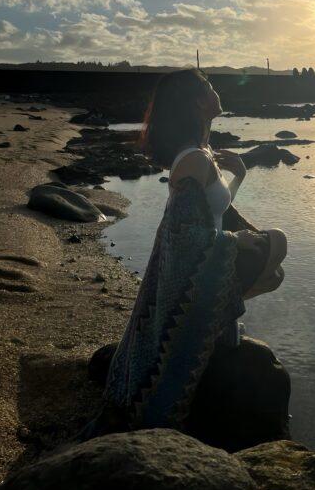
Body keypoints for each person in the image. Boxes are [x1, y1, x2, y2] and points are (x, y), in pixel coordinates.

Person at [74, 68, 287, 440]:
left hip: (206, 258)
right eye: (209, 85)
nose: (216, 89)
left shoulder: (203, 153)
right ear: (198, 101)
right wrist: (235, 242)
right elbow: (184, 238)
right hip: (192, 274)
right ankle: (208, 320)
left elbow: (215, 210)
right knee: (277, 242)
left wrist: (238, 176)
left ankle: (215, 318)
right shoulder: (193, 160)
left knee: (275, 271)